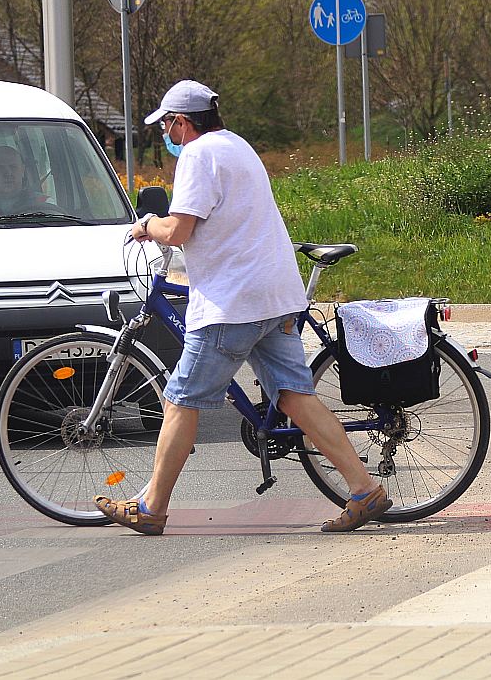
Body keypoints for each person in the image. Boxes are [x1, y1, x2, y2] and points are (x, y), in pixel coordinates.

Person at [92, 79, 391, 534]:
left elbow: (180, 231)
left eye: (167, 125)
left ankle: (150, 509)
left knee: (179, 400)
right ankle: (365, 489)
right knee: (295, 396)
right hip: (276, 296)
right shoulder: (237, 145)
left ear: (183, 122)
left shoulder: (197, 154)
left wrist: (147, 225)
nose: (165, 135)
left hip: (233, 304)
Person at [0, 145, 46, 215]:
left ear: (22, 171)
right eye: (0, 168)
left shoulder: (43, 202)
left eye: (13, 167)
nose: (8, 173)